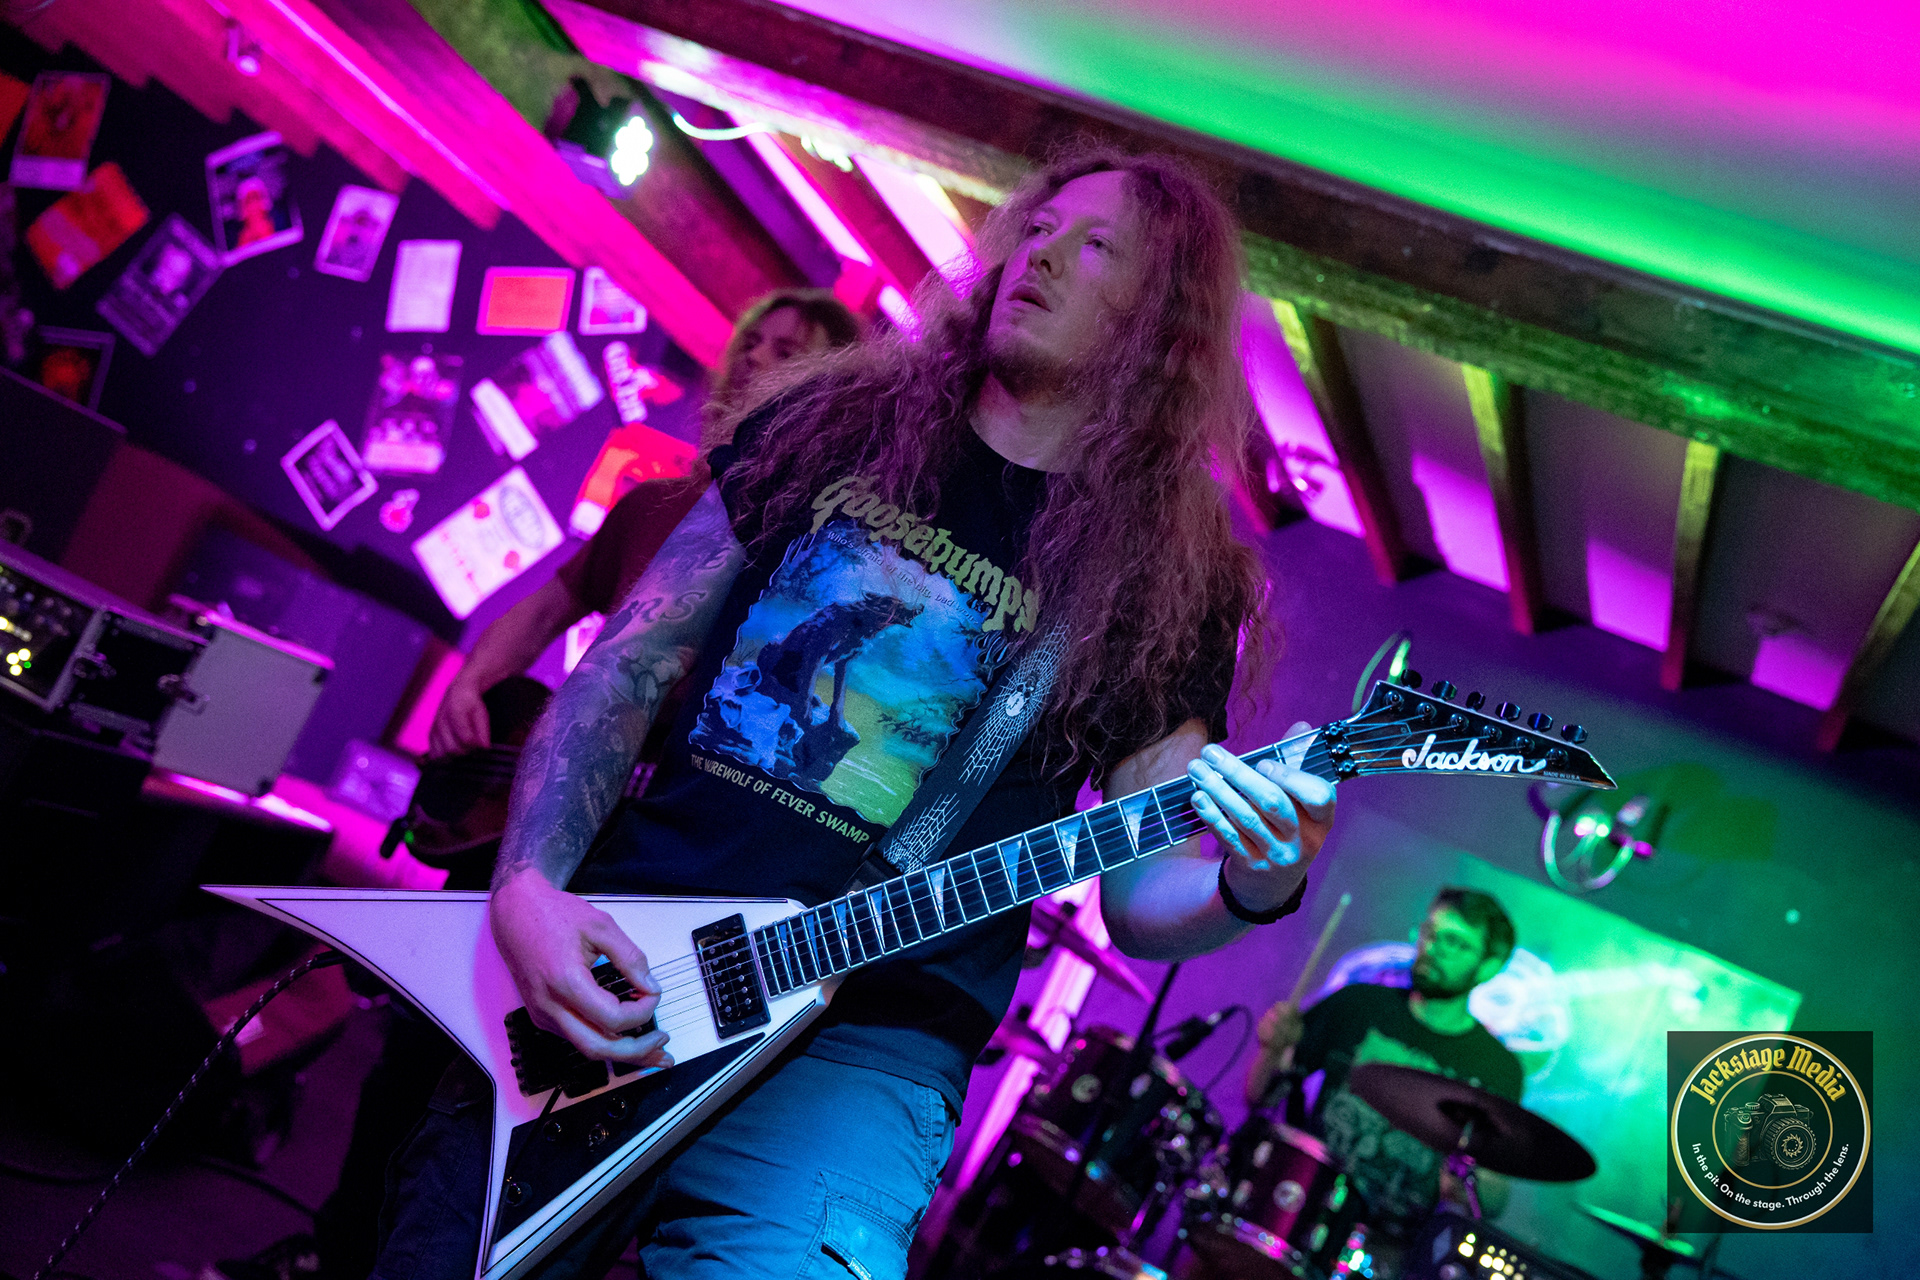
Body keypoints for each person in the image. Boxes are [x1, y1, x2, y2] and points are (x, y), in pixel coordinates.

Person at [375, 150, 1339, 1280]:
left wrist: (1254, 881)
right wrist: (530, 885)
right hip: (632, 947)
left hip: (872, 1044)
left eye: (1097, 248)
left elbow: (1139, 896)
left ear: (1160, 322)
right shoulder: (833, 424)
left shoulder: (1171, 576)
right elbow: (627, 667)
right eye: (1039, 228)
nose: (1040, 255)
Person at [428, 288, 862, 758]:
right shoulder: (654, 503)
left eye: (786, 352)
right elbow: (545, 611)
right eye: (750, 342)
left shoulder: (821, 554)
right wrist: (471, 683)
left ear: (832, 394)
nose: (752, 357)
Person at [1244, 887, 1525, 1238]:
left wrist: (1467, 1184)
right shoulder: (1357, 1004)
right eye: (1431, 932)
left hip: (1390, 1246)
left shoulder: (1497, 1068)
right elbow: (1260, 1097)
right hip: (1300, 1210)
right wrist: (1271, 1050)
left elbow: (1494, 1197)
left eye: (1456, 943)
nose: (1434, 947)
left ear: (1489, 967)